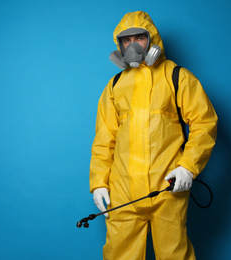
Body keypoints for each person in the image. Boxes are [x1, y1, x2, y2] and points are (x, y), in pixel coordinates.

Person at [89, 11, 218, 260]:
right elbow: (104, 140)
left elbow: (205, 123)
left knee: (174, 255)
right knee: (119, 254)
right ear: (120, 45)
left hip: (167, 187)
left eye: (139, 38)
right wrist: (99, 184)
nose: (133, 45)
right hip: (123, 191)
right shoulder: (115, 86)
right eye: (127, 40)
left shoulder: (177, 77)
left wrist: (187, 167)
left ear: (152, 40)